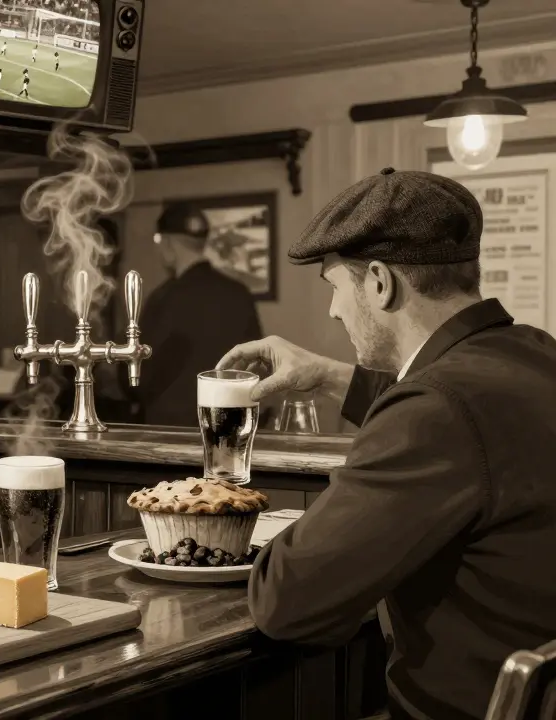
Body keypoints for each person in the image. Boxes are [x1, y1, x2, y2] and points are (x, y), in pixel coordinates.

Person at [218, 168, 556, 720]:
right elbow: (456, 416)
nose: (332, 311)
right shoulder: (534, 353)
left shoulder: (435, 410)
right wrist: (327, 374)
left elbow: (287, 604)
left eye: (334, 287)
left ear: (379, 282)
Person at [130, 203, 262, 425]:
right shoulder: (239, 293)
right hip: (229, 423)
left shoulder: (163, 299)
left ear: (168, 243)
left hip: (170, 432)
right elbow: (256, 365)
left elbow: (139, 374)